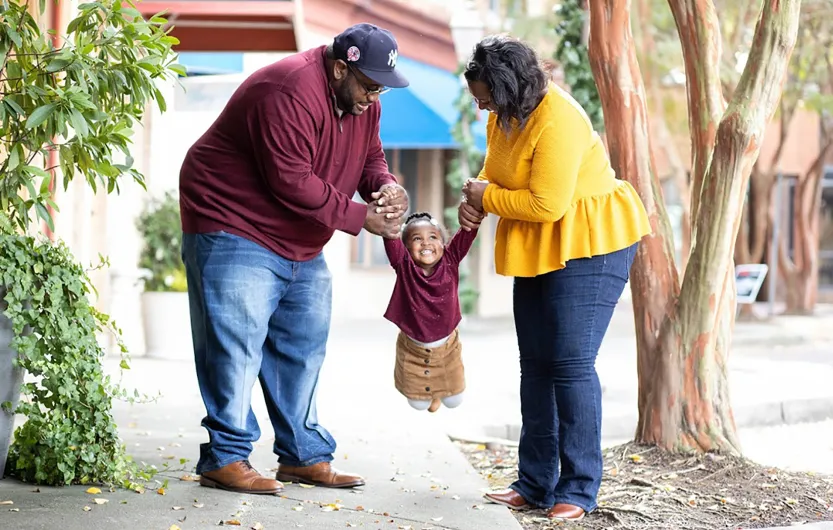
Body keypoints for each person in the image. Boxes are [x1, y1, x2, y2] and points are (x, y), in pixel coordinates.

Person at [178, 23, 411, 495]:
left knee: (302, 345)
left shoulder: (364, 99)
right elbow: (290, 179)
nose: (374, 96)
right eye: (368, 85)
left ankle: (303, 456)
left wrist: (384, 185)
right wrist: (359, 217)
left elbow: (370, 156)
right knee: (235, 346)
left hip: (298, 237)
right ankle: (225, 457)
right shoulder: (288, 90)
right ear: (340, 67)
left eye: (381, 86)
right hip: (232, 219)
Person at [458, 35, 652, 521]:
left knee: (569, 363)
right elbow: (497, 171)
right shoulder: (503, 113)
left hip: (592, 241)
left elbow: (547, 204)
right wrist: (477, 195)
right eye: (477, 96)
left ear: (508, 87)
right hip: (541, 240)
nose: (479, 105)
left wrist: (486, 199)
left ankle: (580, 488)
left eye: (484, 95)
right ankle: (534, 482)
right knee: (536, 364)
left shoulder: (559, 118)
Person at [382, 211, 478, 413]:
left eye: (433, 237)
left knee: (454, 401)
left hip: (447, 349)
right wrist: (389, 212)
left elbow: (468, 231)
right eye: (417, 239)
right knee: (418, 404)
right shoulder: (403, 265)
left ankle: (437, 393)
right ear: (406, 248)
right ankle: (431, 395)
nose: (426, 243)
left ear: (443, 244)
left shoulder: (451, 260)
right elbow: (390, 236)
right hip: (413, 350)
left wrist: (474, 209)